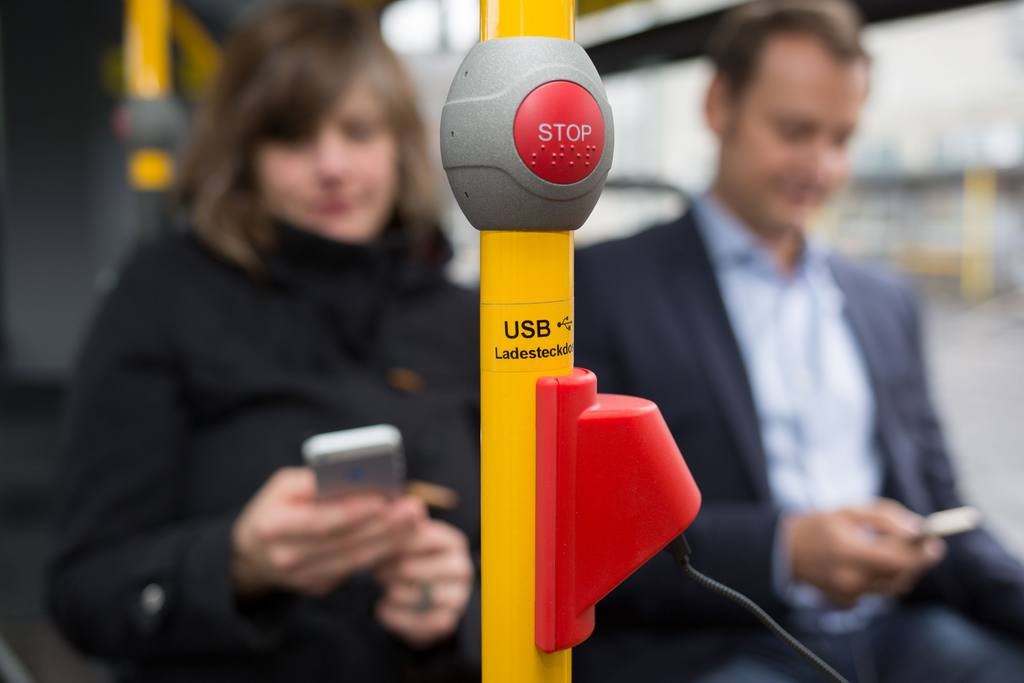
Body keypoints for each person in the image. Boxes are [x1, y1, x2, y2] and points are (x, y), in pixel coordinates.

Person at [572, 1, 1024, 681]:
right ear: (719, 103)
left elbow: (939, 499)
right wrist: (782, 549)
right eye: (794, 130)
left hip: (899, 627)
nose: (821, 165)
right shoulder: (603, 285)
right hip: (724, 641)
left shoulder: (886, 301)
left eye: (841, 139)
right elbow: (589, 530)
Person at [47, 3, 480, 681]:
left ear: (402, 145)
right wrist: (234, 561)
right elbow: (82, 590)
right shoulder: (162, 298)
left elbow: (537, 567)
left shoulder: (464, 318)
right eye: (293, 137)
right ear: (243, 156)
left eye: (358, 130)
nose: (332, 165)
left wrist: (459, 603)